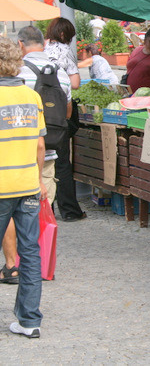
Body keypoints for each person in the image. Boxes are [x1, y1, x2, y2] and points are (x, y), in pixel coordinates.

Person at [0, 35, 46, 338]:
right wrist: (39, 179)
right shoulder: (32, 97)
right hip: (28, 184)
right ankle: (30, 321)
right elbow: (40, 145)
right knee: (30, 253)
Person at [43, 20, 86, 223]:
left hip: (40, 112)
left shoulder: (42, 49)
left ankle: (47, 211)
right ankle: (69, 210)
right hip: (59, 112)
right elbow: (75, 83)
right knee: (61, 163)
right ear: (64, 35)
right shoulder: (65, 50)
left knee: (44, 162)